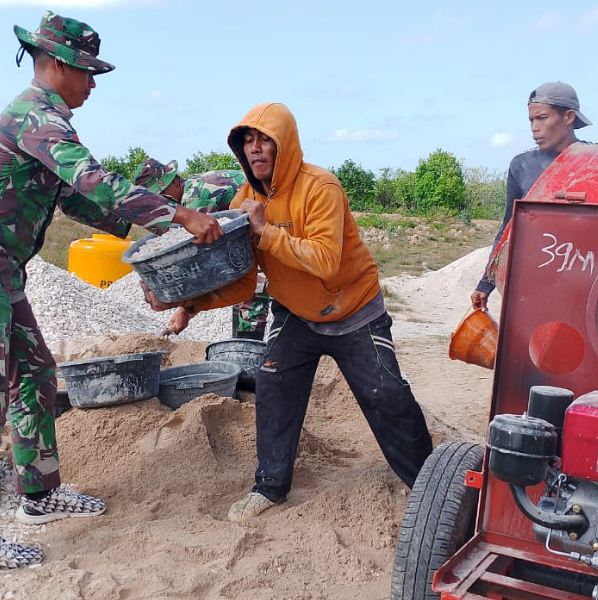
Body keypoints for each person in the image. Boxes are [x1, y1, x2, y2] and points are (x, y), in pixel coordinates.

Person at [0, 11, 222, 575]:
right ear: (57, 64)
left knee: (34, 375)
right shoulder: (35, 115)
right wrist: (179, 214)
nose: (93, 83)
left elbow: (81, 203)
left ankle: (39, 494)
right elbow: (91, 181)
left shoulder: (49, 120)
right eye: (87, 71)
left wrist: (152, 215)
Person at [141, 103, 434, 521]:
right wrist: (186, 304)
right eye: (247, 141)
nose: (255, 149)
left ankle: (427, 482)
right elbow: (243, 280)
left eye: (264, 140)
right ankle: (270, 487)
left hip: (355, 311)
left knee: (385, 394)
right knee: (273, 386)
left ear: (285, 145)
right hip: (296, 314)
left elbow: (326, 261)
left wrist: (265, 231)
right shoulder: (245, 199)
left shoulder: (320, 188)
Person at [471, 81, 592, 313]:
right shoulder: (522, 166)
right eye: (531, 120)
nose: (534, 127)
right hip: (535, 282)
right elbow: (509, 228)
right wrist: (485, 284)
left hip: (584, 280)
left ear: (568, 117)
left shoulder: (595, 161)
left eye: (542, 118)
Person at [132, 157, 271, 339]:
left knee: (251, 287)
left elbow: (203, 264)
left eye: (162, 196)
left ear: (174, 181)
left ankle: (246, 348)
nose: (161, 204)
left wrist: (184, 307)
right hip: (253, 230)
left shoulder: (195, 199)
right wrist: (186, 311)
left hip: (272, 222)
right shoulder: (191, 190)